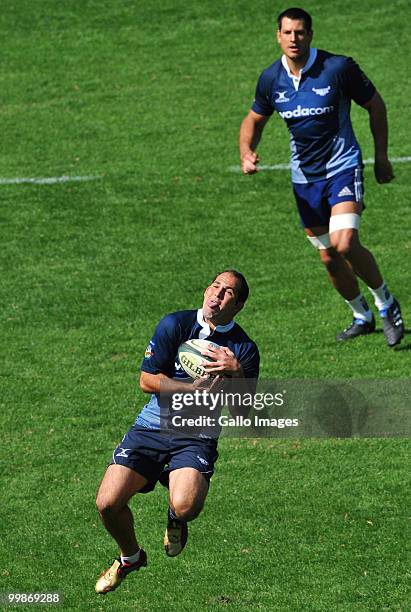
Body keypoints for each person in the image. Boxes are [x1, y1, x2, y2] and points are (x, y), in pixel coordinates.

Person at [239, 7, 404, 347]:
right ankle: (361, 315)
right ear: (278, 36)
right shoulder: (271, 79)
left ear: (310, 34)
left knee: (345, 243)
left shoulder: (338, 68)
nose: (294, 38)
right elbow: (254, 119)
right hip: (305, 180)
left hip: (342, 166)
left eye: (300, 32)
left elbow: (376, 105)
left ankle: (387, 303)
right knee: (329, 255)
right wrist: (246, 151)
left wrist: (381, 157)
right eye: (287, 33)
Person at [95, 270, 260, 594]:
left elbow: (244, 411)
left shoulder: (244, 349)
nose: (217, 295)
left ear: (238, 305)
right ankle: (130, 557)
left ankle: (175, 515)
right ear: (205, 289)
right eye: (215, 286)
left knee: (187, 506)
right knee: (107, 504)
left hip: (196, 436)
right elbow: (146, 381)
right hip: (151, 427)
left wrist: (237, 373)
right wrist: (189, 388)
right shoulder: (175, 324)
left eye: (228, 293)